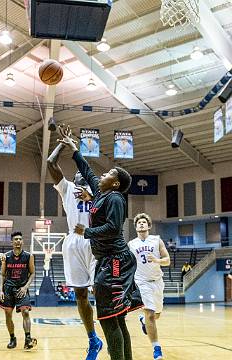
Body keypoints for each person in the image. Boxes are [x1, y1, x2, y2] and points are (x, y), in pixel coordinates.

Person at [58, 125, 142, 360]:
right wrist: (74, 148)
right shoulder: (102, 193)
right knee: (116, 318)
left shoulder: (115, 197)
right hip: (108, 260)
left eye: (108, 174)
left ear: (115, 183)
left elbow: (114, 228)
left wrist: (87, 232)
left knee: (107, 319)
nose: (102, 175)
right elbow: (87, 171)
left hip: (115, 261)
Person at [47, 143, 102, 360]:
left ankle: (110, 327)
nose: (79, 173)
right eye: (76, 171)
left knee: (99, 290)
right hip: (73, 241)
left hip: (95, 240)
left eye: (83, 171)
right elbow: (50, 163)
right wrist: (63, 143)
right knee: (80, 294)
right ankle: (93, 340)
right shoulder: (67, 188)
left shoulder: (99, 193)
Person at [128, 213, 170, 360]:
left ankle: (143, 321)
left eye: (144, 222)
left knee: (156, 315)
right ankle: (156, 349)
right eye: (139, 222)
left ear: (149, 225)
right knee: (150, 314)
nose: (141, 224)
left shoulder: (157, 240)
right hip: (141, 282)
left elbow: (167, 260)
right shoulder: (131, 244)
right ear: (136, 227)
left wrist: (158, 260)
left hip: (157, 281)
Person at [0, 231, 37, 350]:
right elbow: (2, 275)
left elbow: (33, 273)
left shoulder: (29, 256)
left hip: (21, 289)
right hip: (8, 289)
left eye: (20, 239)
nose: (18, 241)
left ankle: (28, 339)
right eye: (16, 239)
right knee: (8, 315)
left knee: (26, 312)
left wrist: (25, 287)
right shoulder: (6, 256)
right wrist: (1, 291)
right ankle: (12, 338)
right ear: (12, 242)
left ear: (22, 241)